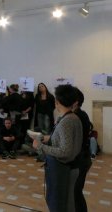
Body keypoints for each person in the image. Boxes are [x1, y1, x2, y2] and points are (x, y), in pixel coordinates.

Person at [33, 84, 82, 212]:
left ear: (57, 102)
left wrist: (41, 147)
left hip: (63, 169)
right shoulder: (73, 117)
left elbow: (65, 151)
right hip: (67, 167)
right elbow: (63, 140)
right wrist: (47, 138)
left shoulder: (67, 121)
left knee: (61, 205)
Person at [73, 87, 92, 212]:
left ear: (74, 102)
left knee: (75, 192)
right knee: (75, 192)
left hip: (80, 159)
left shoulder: (76, 116)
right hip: (82, 158)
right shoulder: (79, 114)